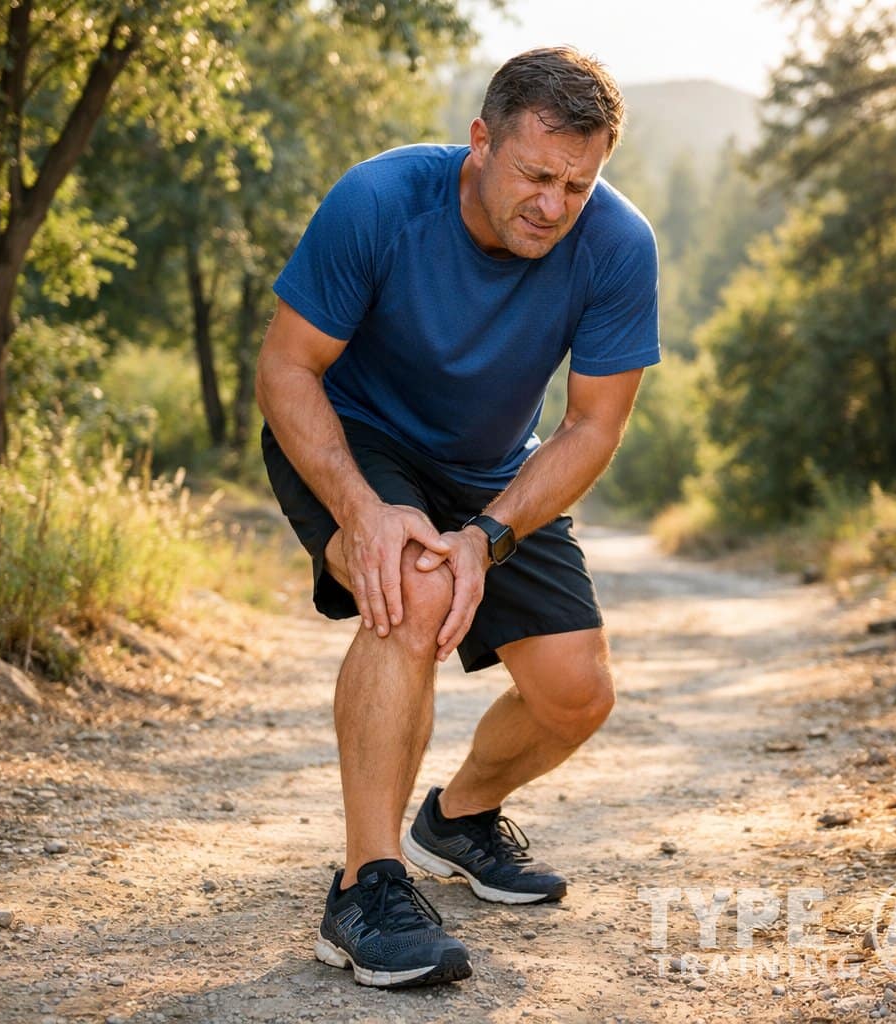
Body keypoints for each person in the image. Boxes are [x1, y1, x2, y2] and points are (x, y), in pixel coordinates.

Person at [256, 45, 659, 989]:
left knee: (577, 694)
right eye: (534, 174)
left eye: (577, 183)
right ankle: (366, 887)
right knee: (412, 588)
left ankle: (459, 818)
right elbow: (286, 370)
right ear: (481, 141)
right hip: (356, 437)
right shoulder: (380, 201)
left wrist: (488, 534)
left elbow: (592, 425)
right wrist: (361, 512)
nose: (554, 205)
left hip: (491, 471)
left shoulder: (617, 243)